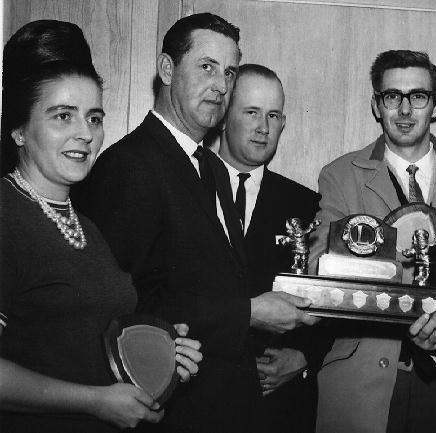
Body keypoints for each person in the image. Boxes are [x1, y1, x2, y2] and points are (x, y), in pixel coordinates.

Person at [78, 14, 317, 433]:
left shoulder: (207, 166)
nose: (221, 85)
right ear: (167, 69)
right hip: (171, 413)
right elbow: (119, 307)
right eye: (207, 67)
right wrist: (248, 312)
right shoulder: (130, 165)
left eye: (229, 72)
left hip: (226, 407)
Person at [0, 20, 201, 433]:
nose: (84, 134)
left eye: (94, 118)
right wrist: (95, 403)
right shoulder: (5, 215)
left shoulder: (86, 226)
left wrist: (161, 351)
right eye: (62, 116)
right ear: (19, 130)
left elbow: (84, 341)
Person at [310, 49, 436, 433]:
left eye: (418, 96)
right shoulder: (340, 175)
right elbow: (318, 267)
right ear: (377, 105)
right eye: (393, 97)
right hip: (363, 377)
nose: (405, 110)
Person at [215, 63, 332, 433]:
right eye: (251, 112)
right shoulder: (186, 188)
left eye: (273, 115)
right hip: (199, 400)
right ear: (222, 116)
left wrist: (304, 357)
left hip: (278, 409)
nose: (263, 127)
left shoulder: (308, 205)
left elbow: (330, 298)